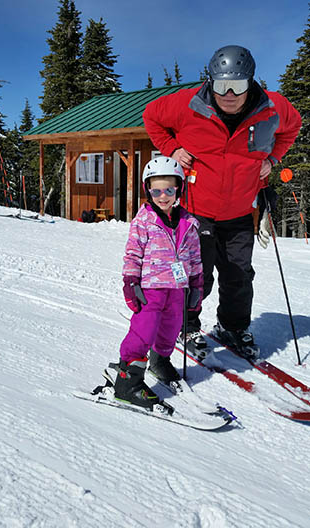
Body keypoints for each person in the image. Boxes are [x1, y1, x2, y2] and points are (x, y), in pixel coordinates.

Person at [143, 45, 301, 359]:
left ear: (251, 83)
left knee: (239, 275)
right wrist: (172, 148)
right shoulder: (187, 104)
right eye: (221, 85)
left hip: (240, 211)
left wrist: (272, 157)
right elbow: (151, 117)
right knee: (196, 274)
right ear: (210, 81)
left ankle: (232, 327)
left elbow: (292, 127)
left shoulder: (273, 108)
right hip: (195, 210)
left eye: (238, 86)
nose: (229, 94)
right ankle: (184, 327)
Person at [114, 155, 203, 409]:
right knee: (144, 330)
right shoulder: (143, 221)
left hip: (178, 288)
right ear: (148, 190)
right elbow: (132, 254)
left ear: (179, 190)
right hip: (150, 288)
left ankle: (160, 361)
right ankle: (127, 380)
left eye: (169, 190)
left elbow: (195, 257)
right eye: (156, 190)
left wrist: (196, 284)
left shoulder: (189, 223)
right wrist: (131, 282)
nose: (163, 196)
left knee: (171, 328)